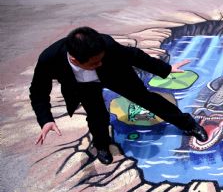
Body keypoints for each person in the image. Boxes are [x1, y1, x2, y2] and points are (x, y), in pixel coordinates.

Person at [30, 26, 207, 165]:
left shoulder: (105, 44)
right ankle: (101, 145)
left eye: (101, 59)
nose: (99, 63)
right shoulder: (50, 59)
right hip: (83, 86)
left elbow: (134, 56)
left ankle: (188, 124)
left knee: (148, 100)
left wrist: (166, 69)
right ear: (75, 60)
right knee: (96, 115)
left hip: (115, 74)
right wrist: (46, 119)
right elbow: (38, 90)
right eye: (94, 63)